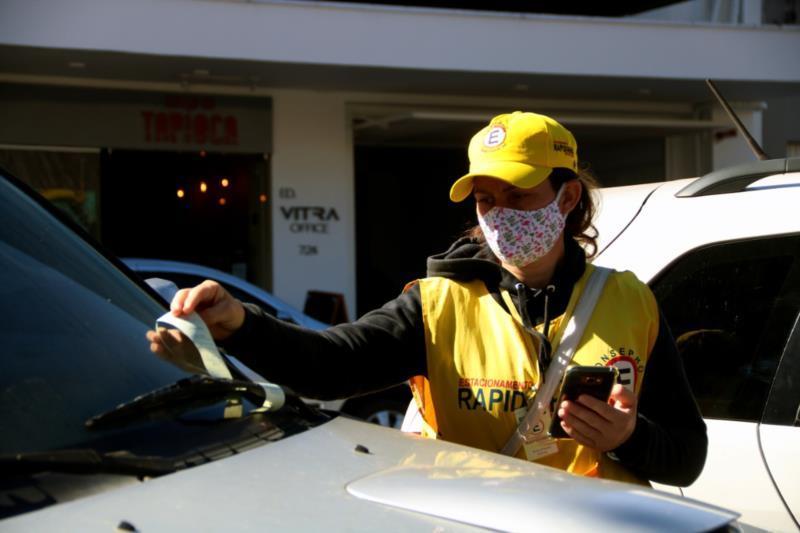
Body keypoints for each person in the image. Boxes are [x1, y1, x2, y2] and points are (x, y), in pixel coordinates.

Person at [148, 111, 707, 486]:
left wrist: (631, 438)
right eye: (487, 199)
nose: (500, 214)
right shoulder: (435, 304)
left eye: (519, 194)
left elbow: (687, 457)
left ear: (566, 198)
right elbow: (327, 367)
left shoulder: (632, 301)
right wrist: (241, 323)